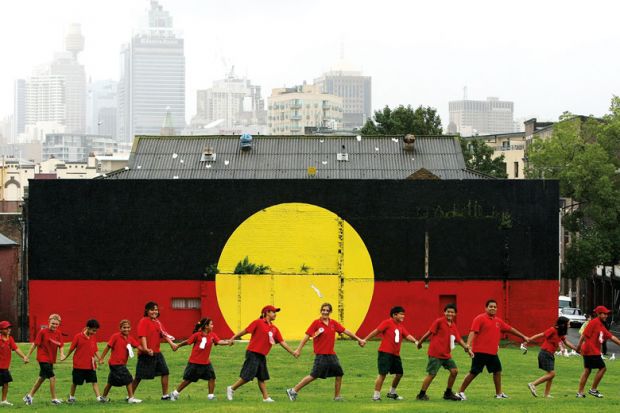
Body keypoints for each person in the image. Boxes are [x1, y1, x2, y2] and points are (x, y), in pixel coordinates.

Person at [286, 303, 366, 402]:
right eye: (323, 310)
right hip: (321, 355)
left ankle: (337, 397)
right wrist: (298, 349)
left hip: (331, 354)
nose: (324, 312)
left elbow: (346, 331)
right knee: (314, 375)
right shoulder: (316, 323)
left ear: (330, 312)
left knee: (339, 373)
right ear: (321, 311)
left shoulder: (333, 323)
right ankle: (293, 390)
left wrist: (359, 339)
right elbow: (306, 337)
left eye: (327, 310)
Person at [456, 299, 530, 400]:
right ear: (486, 308)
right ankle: (460, 392)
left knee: (497, 371)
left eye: (495, 307)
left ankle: (499, 394)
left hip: (492, 352)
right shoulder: (479, 318)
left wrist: (523, 336)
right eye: (491, 306)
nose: (493, 308)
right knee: (474, 372)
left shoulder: (498, 321)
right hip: (480, 351)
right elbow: (473, 332)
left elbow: (510, 329)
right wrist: (468, 345)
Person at [226, 305, 297, 402]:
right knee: (248, 376)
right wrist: (233, 338)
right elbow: (245, 331)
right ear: (267, 312)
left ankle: (265, 397)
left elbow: (282, 342)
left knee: (261, 377)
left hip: (262, 355)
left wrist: (292, 352)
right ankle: (232, 388)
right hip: (253, 353)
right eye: (273, 312)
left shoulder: (274, 328)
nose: (275, 314)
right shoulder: (258, 322)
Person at [416, 304, 473, 401]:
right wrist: (420, 342)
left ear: (455, 314)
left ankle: (448, 393)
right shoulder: (439, 322)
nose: (450, 313)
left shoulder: (453, 325)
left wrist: (468, 350)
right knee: (432, 374)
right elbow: (429, 332)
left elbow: (458, 339)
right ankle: (421, 395)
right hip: (435, 353)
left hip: (446, 354)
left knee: (454, 371)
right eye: (448, 312)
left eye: (452, 312)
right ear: (444, 312)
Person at [363, 306, 419, 401]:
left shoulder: (400, 326)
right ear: (394, 315)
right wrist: (365, 339)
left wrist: (416, 342)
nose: (403, 316)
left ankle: (392, 393)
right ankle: (376, 396)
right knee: (382, 374)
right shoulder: (387, 322)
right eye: (401, 314)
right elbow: (376, 331)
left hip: (395, 354)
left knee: (399, 374)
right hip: (385, 353)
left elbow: (407, 335)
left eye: (403, 314)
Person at [170, 318, 232, 401]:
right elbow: (188, 341)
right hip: (195, 362)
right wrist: (178, 346)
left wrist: (228, 342)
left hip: (206, 362)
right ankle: (174, 394)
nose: (212, 326)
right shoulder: (197, 335)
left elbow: (219, 342)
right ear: (206, 326)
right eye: (211, 324)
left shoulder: (212, 335)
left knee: (212, 378)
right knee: (188, 380)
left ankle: (211, 396)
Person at [132, 301, 178, 400]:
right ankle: (130, 396)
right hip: (146, 353)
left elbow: (164, 334)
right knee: (139, 376)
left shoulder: (157, 322)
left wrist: (172, 344)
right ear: (147, 311)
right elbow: (142, 336)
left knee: (165, 372)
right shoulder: (144, 321)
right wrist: (145, 349)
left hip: (157, 352)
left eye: (156, 310)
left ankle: (165, 396)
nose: (155, 312)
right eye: (152, 310)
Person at [526, 316, 577, 398]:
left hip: (550, 354)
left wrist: (576, 349)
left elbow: (566, 342)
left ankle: (546, 394)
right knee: (552, 374)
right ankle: (533, 384)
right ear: (563, 325)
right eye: (568, 324)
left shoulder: (560, 333)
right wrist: (528, 340)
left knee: (550, 374)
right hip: (545, 353)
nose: (569, 326)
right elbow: (541, 334)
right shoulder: (553, 330)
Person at [576, 305, 620, 398]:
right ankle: (593, 390)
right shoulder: (594, 322)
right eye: (604, 314)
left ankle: (580, 393)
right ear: (599, 314)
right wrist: (578, 347)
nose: (606, 316)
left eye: (607, 314)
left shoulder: (600, 325)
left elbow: (611, 337)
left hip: (591, 350)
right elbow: (583, 335)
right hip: (591, 350)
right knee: (603, 368)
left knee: (587, 370)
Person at [23, 313, 65, 405]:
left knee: (42, 378)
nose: (54, 325)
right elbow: (35, 344)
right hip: (43, 358)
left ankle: (29, 396)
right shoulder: (42, 332)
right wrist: (27, 356)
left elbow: (61, 345)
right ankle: (54, 399)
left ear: (59, 324)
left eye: (56, 324)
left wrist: (62, 354)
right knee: (52, 377)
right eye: (53, 323)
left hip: (51, 359)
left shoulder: (58, 333)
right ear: (49, 322)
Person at [61, 319, 106, 403]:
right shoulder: (78, 336)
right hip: (79, 365)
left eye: (96, 331)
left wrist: (100, 358)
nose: (94, 333)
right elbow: (71, 349)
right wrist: (65, 357)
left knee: (94, 381)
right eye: (93, 330)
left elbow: (95, 350)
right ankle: (71, 397)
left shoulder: (93, 338)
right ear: (87, 328)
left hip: (90, 365)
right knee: (75, 382)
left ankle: (99, 398)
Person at [99, 319, 143, 403]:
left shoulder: (130, 338)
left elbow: (138, 346)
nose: (126, 329)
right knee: (129, 379)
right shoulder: (115, 336)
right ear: (120, 328)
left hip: (121, 363)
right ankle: (131, 398)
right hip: (116, 363)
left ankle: (103, 398)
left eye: (128, 327)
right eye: (124, 327)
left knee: (110, 381)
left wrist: (147, 350)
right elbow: (107, 347)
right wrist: (101, 358)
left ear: (130, 328)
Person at [0, 321, 29, 406]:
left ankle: (4, 400)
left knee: (6, 383)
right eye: (6, 328)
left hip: (5, 367)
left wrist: (24, 357)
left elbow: (16, 349)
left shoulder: (10, 339)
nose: (9, 329)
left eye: (9, 328)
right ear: (1, 330)